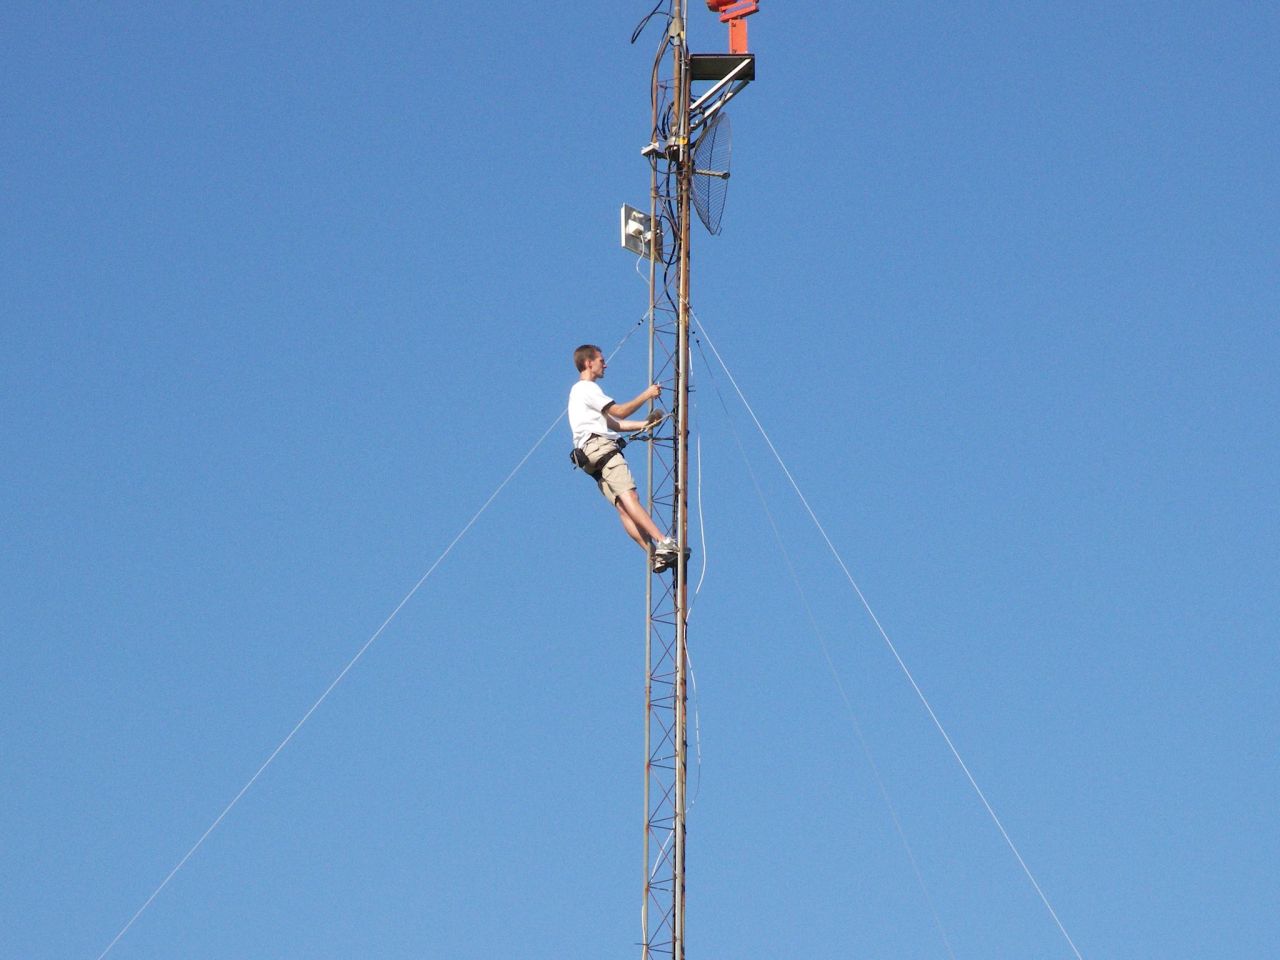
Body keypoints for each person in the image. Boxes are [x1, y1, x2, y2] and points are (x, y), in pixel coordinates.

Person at [568, 344, 680, 573]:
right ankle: (663, 541)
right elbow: (619, 412)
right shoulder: (587, 388)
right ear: (589, 363)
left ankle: (654, 555)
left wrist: (644, 424)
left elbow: (613, 424)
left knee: (623, 507)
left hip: (588, 458)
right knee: (630, 496)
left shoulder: (580, 395)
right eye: (601, 360)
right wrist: (647, 394)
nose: (604, 364)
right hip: (601, 448)